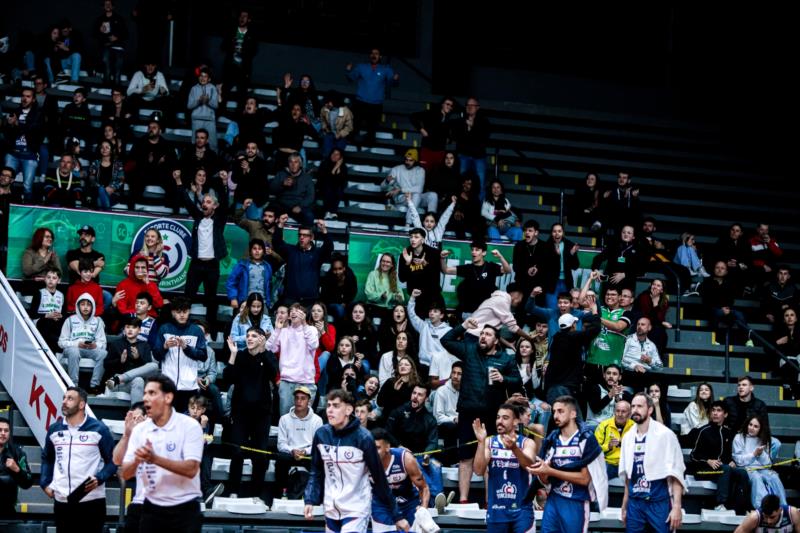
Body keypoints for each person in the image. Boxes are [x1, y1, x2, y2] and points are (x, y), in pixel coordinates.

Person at [304, 389, 408, 532]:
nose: (330, 410)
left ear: (348, 410)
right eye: (328, 405)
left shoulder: (363, 438)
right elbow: (315, 471)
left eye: (335, 406)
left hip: (356, 509)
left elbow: (379, 479)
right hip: (330, 508)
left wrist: (397, 515)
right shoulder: (321, 434)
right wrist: (309, 499)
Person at [441, 321, 521, 505]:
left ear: (496, 341)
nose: (483, 337)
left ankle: (488, 502)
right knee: (465, 457)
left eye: (488, 334)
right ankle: (463, 500)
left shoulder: (506, 359)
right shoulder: (470, 351)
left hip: (493, 415)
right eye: (482, 334)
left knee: (490, 457)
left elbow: (517, 381)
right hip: (468, 413)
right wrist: (462, 326)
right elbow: (446, 340)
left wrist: (504, 378)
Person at [120, 375, 204, 533]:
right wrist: (137, 460)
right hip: (151, 508)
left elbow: (191, 469)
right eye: (145, 393)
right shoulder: (140, 430)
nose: (145, 398)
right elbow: (125, 473)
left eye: (152, 393)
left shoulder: (190, 426)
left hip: (184, 508)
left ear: (168, 397)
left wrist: (155, 459)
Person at [41, 387, 116, 533]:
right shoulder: (54, 429)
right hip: (62, 502)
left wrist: (100, 478)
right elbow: (47, 458)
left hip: (92, 502)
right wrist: (45, 483)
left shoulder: (99, 429)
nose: (64, 401)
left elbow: (113, 462)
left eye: (70, 399)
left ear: (81, 405)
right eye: (64, 398)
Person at [527, 395, 607, 533]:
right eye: (554, 412)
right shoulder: (552, 439)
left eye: (560, 411)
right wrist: (542, 472)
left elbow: (584, 479)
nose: (555, 415)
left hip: (576, 501)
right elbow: (544, 478)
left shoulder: (586, 438)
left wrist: (551, 471)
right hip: (554, 499)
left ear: (573, 414)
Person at [619, 392, 685, 533]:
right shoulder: (627, 437)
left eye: (640, 406)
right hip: (635, 502)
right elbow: (627, 476)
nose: (635, 410)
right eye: (633, 406)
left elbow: (677, 473)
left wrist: (677, 507)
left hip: (657, 500)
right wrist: (624, 506)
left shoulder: (666, 435)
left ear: (650, 410)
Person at [224, 330, 278, 497]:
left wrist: (263, 350)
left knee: (259, 454)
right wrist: (232, 355)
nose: (249, 338)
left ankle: (256, 494)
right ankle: (233, 490)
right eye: (247, 336)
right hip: (241, 412)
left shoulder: (267, 356)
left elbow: (273, 372)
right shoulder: (240, 356)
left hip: (262, 413)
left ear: (261, 339)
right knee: (237, 451)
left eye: (254, 336)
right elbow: (228, 378)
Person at [472, 403, 537, 533]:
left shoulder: (527, 442)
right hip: (496, 509)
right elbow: (478, 470)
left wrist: (514, 448)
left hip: (522, 510)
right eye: (498, 417)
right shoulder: (490, 443)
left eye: (505, 418)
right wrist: (481, 442)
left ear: (516, 422)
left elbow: (529, 466)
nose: (499, 421)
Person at [385, 384, 444, 509]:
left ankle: (439, 499)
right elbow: (387, 433)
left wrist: (428, 454)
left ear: (426, 398)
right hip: (399, 455)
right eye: (414, 393)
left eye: (420, 395)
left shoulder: (429, 419)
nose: (415, 397)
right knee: (416, 463)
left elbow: (433, 441)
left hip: (421, 456)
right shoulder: (399, 412)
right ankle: (434, 499)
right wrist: (399, 446)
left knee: (436, 465)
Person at [688, 400, 750, 511]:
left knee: (742, 472)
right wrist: (708, 461)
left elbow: (731, 454)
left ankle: (741, 507)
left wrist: (733, 461)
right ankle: (720, 504)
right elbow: (693, 455)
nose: (715, 413)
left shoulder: (729, 432)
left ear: (725, 414)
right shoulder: (703, 431)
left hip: (722, 470)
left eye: (719, 411)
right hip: (703, 470)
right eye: (713, 410)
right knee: (725, 469)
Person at [181, 185, 228, 333]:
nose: (204, 204)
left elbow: (226, 204)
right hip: (196, 264)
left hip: (212, 266)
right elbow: (187, 201)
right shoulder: (198, 217)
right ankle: (182, 325)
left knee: (211, 299)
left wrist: (224, 184)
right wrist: (179, 183)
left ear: (215, 206)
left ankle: (211, 329)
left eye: (208, 202)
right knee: (188, 296)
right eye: (204, 201)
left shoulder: (219, 220)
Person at [153, 296, 208, 412]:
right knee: (167, 421)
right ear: (173, 313)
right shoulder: (164, 329)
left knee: (184, 422)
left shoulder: (196, 331)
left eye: (185, 311)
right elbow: (156, 355)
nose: (182, 315)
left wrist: (186, 348)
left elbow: (203, 355)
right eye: (178, 312)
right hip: (168, 384)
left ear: (189, 312)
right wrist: (165, 347)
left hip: (189, 386)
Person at [371, 428, 429, 532]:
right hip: (382, 504)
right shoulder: (364, 461)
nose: (373, 452)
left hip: (408, 502)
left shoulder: (406, 459)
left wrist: (423, 509)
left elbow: (424, 487)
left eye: (377, 448)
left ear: (387, 447)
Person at [267, 303, 319, 416]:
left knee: (304, 420)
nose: (294, 312)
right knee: (286, 419)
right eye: (292, 311)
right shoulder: (283, 331)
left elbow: (313, 345)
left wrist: (304, 324)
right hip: (286, 381)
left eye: (298, 310)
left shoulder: (312, 329)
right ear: (289, 316)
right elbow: (270, 348)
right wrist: (277, 329)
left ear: (304, 315)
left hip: (306, 382)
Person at [542, 309, 600, 406]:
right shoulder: (573, 336)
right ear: (573, 325)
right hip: (562, 389)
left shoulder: (557, 338)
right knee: (574, 419)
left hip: (552, 388)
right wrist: (594, 311)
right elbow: (596, 329)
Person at [441, 241, 511, 318]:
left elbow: (507, 270)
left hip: (486, 313)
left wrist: (500, 256)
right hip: (468, 313)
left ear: (484, 253)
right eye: (472, 249)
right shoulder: (467, 268)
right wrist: (442, 258)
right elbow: (446, 270)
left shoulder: (491, 267)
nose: (473, 252)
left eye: (477, 250)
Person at [345, 48, 399, 146]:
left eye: (376, 53)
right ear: (370, 56)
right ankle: (351, 144)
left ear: (380, 56)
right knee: (354, 125)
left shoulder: (386, 69)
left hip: (375, 104)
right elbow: (351, 78)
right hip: (360, 102)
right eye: (372, 53)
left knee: (372, 128)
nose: (374, 55)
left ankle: (368, 146)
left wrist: (395, 79)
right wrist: (348, 71)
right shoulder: (361, 67)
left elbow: (392, 82)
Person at [276, 385, 323, 496]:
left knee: (319, 461)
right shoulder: (284, 419)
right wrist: (293, 451)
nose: (299, 401)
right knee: (280, 459)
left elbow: (318, 445)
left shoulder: (317, 420)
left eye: (303, 398)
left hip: (307, 455)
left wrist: (304, 452)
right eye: (297, 398)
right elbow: (281, 444)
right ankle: (281, 494)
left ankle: (314, 495)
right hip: (290, 454)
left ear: (309, 402)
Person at [273, 220, 333, 306]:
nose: (301, 237)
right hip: (291, 299)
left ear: (311, 238)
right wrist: (280, 225)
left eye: (305, 235)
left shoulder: (317, 254)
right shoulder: (291, 251)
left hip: (310, 300)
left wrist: (324, 230)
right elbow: (277, 243)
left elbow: (329, 247)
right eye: (300, 235)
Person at [733, 414, 787, 508]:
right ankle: (762, 507)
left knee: (774, 477)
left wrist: (761, 454)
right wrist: (754, 455)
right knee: (756, 478)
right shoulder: (739, 437)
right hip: (747, 468)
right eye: (750, 425)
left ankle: (783, 507)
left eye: (756, 426)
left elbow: (767, 464)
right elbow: (738, 460)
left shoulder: (764, 439)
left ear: (760, 429)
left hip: (762, 468)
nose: (752, 428)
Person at [58, 293, 107, 392]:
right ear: (78, 306)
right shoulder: (70, 320)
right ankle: (73, 384)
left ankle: (94, 386)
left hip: (90, 349)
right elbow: (61, 342)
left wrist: (95, 345)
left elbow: (103, 343)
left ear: (92, 307)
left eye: (88, 305)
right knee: (74, 352)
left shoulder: (97, 322)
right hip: (73, 349)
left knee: (104, 354)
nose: (85, 307)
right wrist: (77, 344)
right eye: (83, 304)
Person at [3, 87, 45, 203]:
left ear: (34, 99)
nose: (24, 99)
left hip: (29, 155)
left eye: (28, 96)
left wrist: (17, 125)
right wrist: (9, 125)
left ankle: (26, 211)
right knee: (5, 183)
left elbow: (35, 131)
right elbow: (7, 135)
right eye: (23, 96)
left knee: (27, 187)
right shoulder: (15, 112)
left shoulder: (38, 114)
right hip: (13, 153)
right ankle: (5, 206)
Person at [104, 315, 159, 403]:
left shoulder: (144, 345)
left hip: (134, 382)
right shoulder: (116, 344)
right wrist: (120, 361)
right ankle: (137, 413)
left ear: (139, 330)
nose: (130, 330)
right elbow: (106, 365)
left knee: (153, 366)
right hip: (119, 384)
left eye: (133, 327)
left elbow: (148, 369)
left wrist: (138, 358)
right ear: (124, 329)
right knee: (138, 380)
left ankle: (135, 414)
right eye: (127, 327)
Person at [408, 290, 453, 382]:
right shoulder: (423, 326)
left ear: (441, 315)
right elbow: (412, 315)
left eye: (435, 311)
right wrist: (412, 298)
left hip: (438, 368)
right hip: (422, 366)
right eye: (430, 311)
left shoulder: (449, 331)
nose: (431, 313)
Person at [451, 97, 490, 200]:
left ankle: (478, 211)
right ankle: (460, 208)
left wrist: (473, 127)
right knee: (461, 183)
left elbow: (484, 138)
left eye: (472, 105)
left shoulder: (484, 122)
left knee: (480, 184)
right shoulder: (460, 121)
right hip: (463, 156)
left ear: (478, 107)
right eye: (468, 105)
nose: (470, 107)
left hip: (479, 157)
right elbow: (456, 137)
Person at [381, 149, 435, 225]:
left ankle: (432, 221)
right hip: (403, 199)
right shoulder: (397, 169)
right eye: (406, 160)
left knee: (433, 195)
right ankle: (408, 224)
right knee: (416, 195)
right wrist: (386, 181)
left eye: (410, 160)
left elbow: (419, 189)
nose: (407, 162)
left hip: (416, 198)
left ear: (415, 161)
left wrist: (400, 189)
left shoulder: (420, 170)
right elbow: (382, 188)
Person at [226, 238, 273, 310]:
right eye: (254, 248)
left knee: (265, 321)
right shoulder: (242, 265)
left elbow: (269, 286)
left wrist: (269, 302)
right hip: (245, 303)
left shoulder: (267, 267)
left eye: (260, 249)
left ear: (263, 251)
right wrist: (233, 298)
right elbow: (231, 282)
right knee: (241, 321)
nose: (257, 251)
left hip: (263, 303)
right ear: (250, 251)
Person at [0, 417, 33, 519]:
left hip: (7, 510)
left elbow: (28, 482)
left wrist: (17, 469)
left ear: (9, 433)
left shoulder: (17, 453)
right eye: (0, 430)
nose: (3, 433)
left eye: (6, 430)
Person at [410, 96, 455, 171]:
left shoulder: (449, 119)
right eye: (447, 104)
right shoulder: (431, 113)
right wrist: (421, 129)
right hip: (427, 150)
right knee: (424, 173)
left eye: (451, 106)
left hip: (440, 151)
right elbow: (413, 116)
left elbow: (449, 134)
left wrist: (449, 140)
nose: (449, 107)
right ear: (442, 104)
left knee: (436, 175)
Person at [221, 10, 257, 101]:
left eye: (245, 16)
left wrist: (244, 50)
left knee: (242, 95)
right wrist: (232, 45)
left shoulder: (252, 34)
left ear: (249, 19)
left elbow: (254, 51)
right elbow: (223, 46)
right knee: (225, 92)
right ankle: (222, 114)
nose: (242, 18)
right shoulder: (231, 31)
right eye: (241, 16)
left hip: (243, 68)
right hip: (230, 66)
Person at [28, 267, 66, 353]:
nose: (51, 280)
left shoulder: (61, 295)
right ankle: (51, 351)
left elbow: (63, 314)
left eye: (54, 278)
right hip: (41, 321)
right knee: (47, 323)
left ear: (59, 280)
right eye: (48, 277)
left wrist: (60, 316)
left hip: (56, 321)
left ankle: (52, 351)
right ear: (45, 279)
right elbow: (32, 314)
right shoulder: (39, 293)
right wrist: (46, 315)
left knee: (62, 325)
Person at [594, 400, 633, 479]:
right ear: (614, 412)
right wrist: (608, 446)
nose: (620, 414)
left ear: (629, 414)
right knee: (598, 478)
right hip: (608, 462)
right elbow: (594, 449)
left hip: (627, 463)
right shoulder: (603, 425)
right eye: (617, 411)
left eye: (623, 411)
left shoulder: (634, 427)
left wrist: (624, 444)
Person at [620, 317, 663, 389]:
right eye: (638, 324)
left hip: (645, 373)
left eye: (643, 325)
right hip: (629, 371)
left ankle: (657, 400)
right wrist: (634, 366)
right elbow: (619, 359)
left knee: (663, 378)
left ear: (649, 328)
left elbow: (660, 367)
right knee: (639, 377)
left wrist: (650, 361)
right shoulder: (628, 339)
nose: (639, 326)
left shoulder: (651, 345)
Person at [433, 362, 462, 469]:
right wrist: (454, 418)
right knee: (451, 427)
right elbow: (438, 417)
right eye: (453, 372)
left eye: (459, 374)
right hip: (445, 425)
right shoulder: (442, 391)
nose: (455, 376)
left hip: (462, 423)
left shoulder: (466, 390)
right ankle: (452, 461)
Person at [513, 220, 551, 300]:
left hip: (538, 287)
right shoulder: (519, 246)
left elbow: (548, 268)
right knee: (521, 310)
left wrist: (538, 270)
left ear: (536, 233)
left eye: (530, 231)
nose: (527, 233)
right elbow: (515, 267)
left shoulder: (545, 247)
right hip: (522, 285)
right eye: (525, 230)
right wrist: (527, 270)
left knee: (537, 311)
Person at [187, 69, 219, 150]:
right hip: (197, 119)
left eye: (205, 76)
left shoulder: (213, 88)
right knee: (195, 143)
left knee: (213, 144)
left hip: (210, 120)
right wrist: (198, 101)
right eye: (201, 76)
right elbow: (189, 106)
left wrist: (208, 101)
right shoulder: (194, 89)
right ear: (198, 77)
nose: (203, 78)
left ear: (209, 79)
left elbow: (216, 106)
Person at [87, 139, 125, 209]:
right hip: (97, 191)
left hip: (113, 193)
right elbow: (91, 179)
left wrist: (112, 187)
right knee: (100, 193)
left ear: (111, 150)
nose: (104, 149)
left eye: (107, 147)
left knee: (100, 200)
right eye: (102, 147)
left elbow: (121, 180)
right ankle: (107, 212)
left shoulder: (118, 164)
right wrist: (101, 188)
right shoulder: (95, 163)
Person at [734, 494, 800, 533]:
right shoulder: (754, 517)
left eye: (772, 517)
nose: (769, 521)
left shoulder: (792, 513)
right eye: (765, 517)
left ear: (780, 510)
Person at [320, 255, 358, 322]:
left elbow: (353, 291)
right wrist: (341, 303)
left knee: (357, 306)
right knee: (339, 309)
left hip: (346, 302)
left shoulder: (350, 276)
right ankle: (341, 330)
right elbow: (325, 297)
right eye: (335, 269)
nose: (337, 272)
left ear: (344, 268)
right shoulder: (328, 278)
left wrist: (345, 302)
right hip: (331, 304)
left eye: (340, 269)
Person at [319, 92, 354, 160]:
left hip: (341, 135)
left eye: (328, 102)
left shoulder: (346, 111)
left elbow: (349, 127)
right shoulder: (324, 109)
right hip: (329, 133)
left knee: (338, 154)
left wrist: (340, 134)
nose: (326, 104)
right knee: (327, 153)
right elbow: (322, 120)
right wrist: (325, 128)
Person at [317, 147, 349, 219]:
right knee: (329, 186)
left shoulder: (343, 167)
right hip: (323, 187)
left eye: (337, 154)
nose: (334, 156)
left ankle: (332, 211)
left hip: (336, 189)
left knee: (338, 188)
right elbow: (323, 179)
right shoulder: (324, 163)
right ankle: (329, 211)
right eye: (333, 153)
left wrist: (338, 168)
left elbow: (341, 181)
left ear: (340, 157)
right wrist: (335, 169)